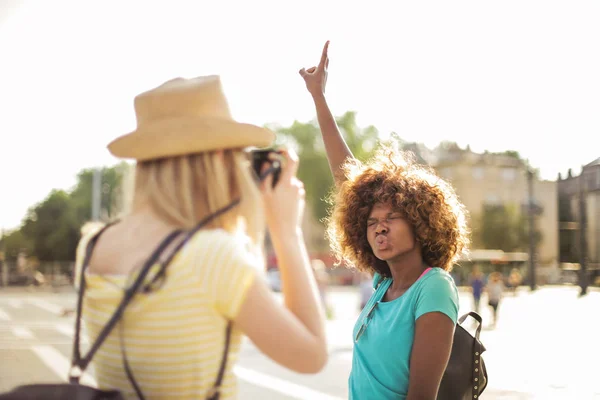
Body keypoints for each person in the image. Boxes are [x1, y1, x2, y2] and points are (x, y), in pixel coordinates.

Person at [74, 76, 327, 399]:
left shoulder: (94, 244)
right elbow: (312, 355)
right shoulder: (210, 255)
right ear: (220, 156)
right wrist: (287, 232)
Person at [299, 42, 470, 400]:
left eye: (392, 217)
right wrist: (319, 98)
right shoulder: (382, 285)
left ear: (422, 223)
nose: (379, 226)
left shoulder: (433, 287)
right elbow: (347, 179)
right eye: (372, 220)